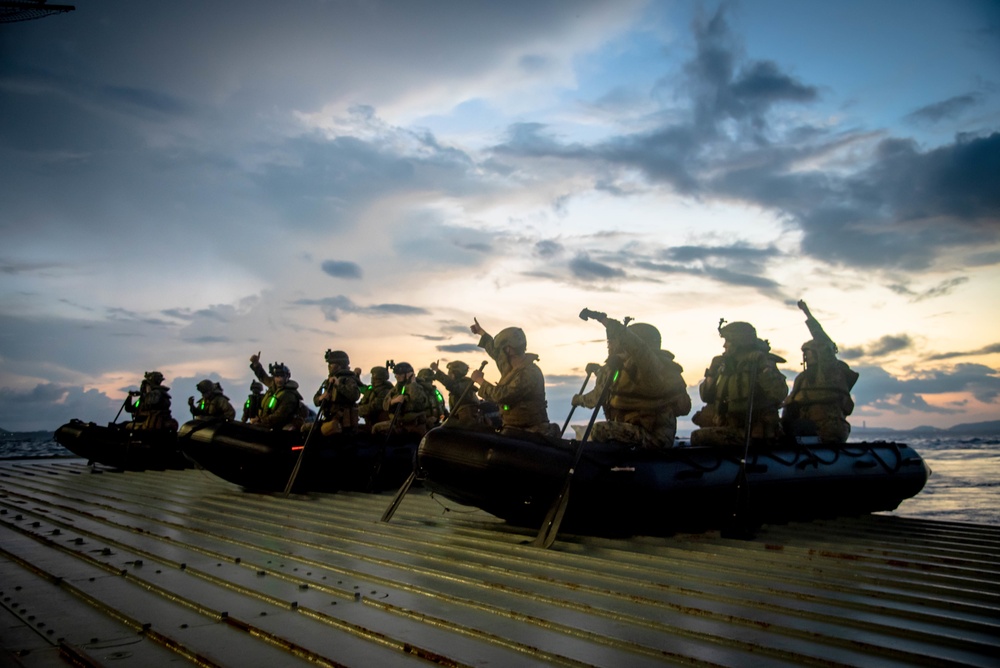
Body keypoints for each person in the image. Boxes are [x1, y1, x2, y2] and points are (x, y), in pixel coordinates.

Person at [572, 309, 691, 448]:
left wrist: (606, 321)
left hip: (654, 438)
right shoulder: (628, 369)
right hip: (634, 432)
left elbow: (639, 350)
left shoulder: (652, 371)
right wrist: (598, 371)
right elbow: (615, 386)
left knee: (600, 430)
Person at [691, 321, 788, 447]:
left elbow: (780, 393)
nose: (724, 345)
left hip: (754, 433)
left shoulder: (761, 362)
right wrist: (711, 373)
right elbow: (706, 397)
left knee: (697, 437)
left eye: (728, 341)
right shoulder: (726, 366)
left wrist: (763, 368)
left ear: (739, 343)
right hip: (733, 427)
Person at [782, 301, 860, 443]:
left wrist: (808, 314)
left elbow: (823, 343)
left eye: (810, 352)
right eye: (806, 353)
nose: (807, 356)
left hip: (829, 428)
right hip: (805, 429)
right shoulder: (802, 379)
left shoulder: (830, 372)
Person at [469, 318, 557, 437]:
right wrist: (481, 332)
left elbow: (502, 396)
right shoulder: (511, 367)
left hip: (531, 433)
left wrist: (480, 380)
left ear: (509, 350)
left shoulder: (529, 373)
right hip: (513, 429)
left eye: (502, 349)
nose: (500, 353)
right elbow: (495, 352)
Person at [372, 362, 434, 436]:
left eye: (400, 374)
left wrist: (412, 383)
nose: (397, 377)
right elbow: (385, 405)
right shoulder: (396, 389)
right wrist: (393, 401)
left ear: (408, 374)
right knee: (376, 428)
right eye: (396, 375)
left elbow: (417, 399)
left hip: (414, 426)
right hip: (398, 423)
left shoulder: (418, 387)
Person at [248, 352, 304, 430]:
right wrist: (256, 364)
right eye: (277, 376)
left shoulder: (289, 395)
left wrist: (260, 421)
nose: (279, 379)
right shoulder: (274, 386)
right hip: (265, 423)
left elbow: (279, 416)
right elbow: (263, 377)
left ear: (287, 377)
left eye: (282, 376)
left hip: (277, 428)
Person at [312, 349, 361, 436]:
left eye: (331, 364)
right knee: (306, 429)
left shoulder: (348, 379)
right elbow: (316, 399)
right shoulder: (327, 382)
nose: (329, 366)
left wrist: (338, 386)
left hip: (342, 424)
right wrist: (321, 398)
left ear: (340, 365)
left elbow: (355, 395)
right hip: (328, 419)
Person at [430, 359, 482, 424]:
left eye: (450, 372)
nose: (448, 374)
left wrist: (437, 370)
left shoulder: (464, 386)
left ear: (456, 374)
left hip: (467, 425)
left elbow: (450, 384)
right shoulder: (463, 386)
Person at [358, 365, 394, 430]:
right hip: (370, 422)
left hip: (378, 424)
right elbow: (361, 388)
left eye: (373, 376)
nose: (371, 378)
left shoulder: (385, 391)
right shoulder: (372, 388)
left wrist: (357, 410)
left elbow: (374, 407)